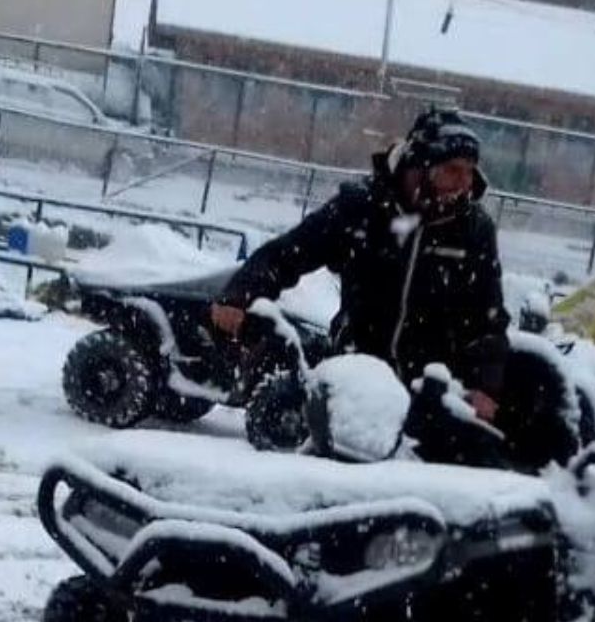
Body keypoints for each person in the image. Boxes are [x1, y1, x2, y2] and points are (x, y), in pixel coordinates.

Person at [210, 107, 510, 428]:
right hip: (356, 379)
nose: (464, 183)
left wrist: (485, 386)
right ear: (421, 166)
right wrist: (239, 296)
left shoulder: (474, 230)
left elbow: (487, 317)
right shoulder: (361, 209)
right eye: (452, 170)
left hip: (431, 387)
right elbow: (287, 254)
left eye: (470, 171)